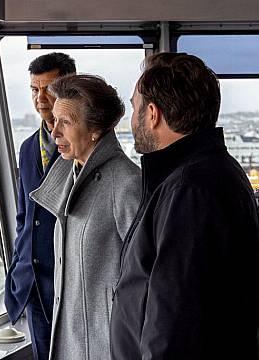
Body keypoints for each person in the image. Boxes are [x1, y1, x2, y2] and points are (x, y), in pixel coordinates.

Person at [110, 52, 259, 359]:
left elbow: (175, 322)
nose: (132, 119)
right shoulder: (206, 173)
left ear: (153, 114)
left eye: (135, 107)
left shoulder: (189, 190)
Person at [30, 74, 141, 359]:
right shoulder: (69, 173)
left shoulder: (127, 184)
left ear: (95, 130)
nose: (54, 133)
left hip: (106, 346)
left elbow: (146, 283)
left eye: (65, 122)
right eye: (54, 121)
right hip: (70, 340)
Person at [4, 52, 75, 360]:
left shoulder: (84, 146)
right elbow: (24, 217)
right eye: (35, 89)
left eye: (49, 88)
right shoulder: (28, 148)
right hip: (33, 284)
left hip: (70, 284)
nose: (41, 97)